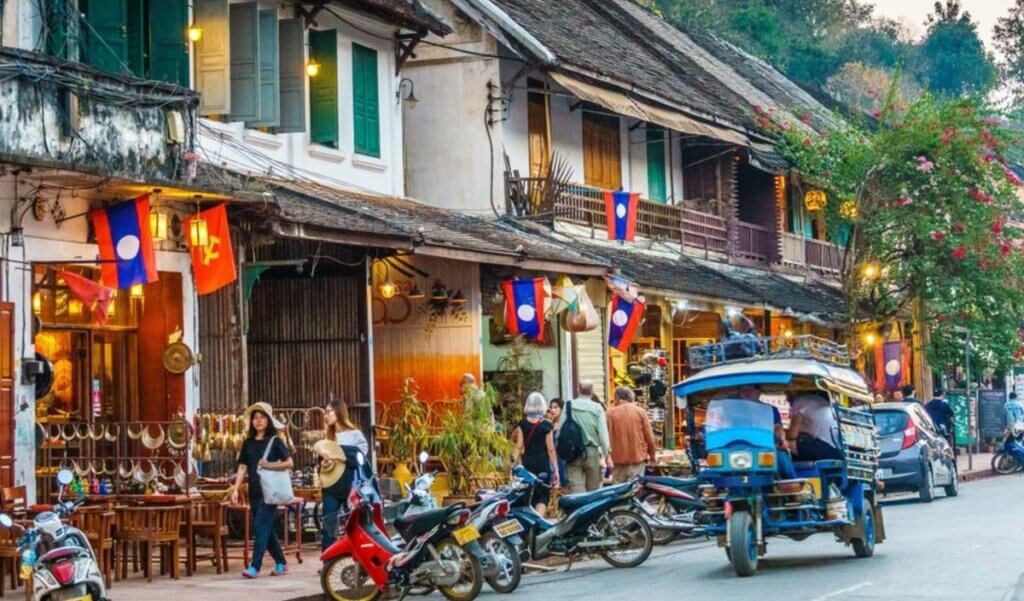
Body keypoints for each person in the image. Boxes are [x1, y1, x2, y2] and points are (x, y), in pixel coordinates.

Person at [232, 402, 293, 578]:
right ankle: (282, 562)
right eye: (255, 418)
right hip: (254, 492)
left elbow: (289, 463)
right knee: (265, 529)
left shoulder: (275, 442)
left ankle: (255, 566)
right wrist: (236, 489)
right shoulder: (248, 443)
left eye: (262, 417)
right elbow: (242, 468)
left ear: (269, 420)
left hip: (270, 493)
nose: (258, 421)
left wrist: (269, 465)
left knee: (260, 526)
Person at [319, 399, 368, 553]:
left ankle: (355, 556)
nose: (325, 415)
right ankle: (328, 558)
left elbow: (361, 458)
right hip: (331, 485)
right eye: (325, 412)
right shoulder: (328, 437)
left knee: (353, 524)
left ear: (338, 412)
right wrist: (325, 463)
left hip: (350, 484)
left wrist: (341, 456)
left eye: (328, 412)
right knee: (328, 523)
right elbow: (325, 463)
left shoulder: (355, 434)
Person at [559, 380, 612, 493]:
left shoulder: (568, 406)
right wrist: (607, 454)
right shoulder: (597, 408)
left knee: (576, 487)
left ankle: (580, 507)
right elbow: (603, 435)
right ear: (592, 391)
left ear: (578, 390)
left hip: (572, 453)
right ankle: (591, 509)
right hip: (591, 452)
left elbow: (560, 430)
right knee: (593, 490)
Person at [512, 392, 559, 515]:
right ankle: (538, 524)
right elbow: (551, 449)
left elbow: (519, 445)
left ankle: (531, 527)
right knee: (543, 495)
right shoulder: (546, 425)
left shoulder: (522, 424)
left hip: (527, 465)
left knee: (529, 495)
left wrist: (513, 462)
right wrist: (556, 468)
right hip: (543, 464)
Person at [737, 385, 796, 479]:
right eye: (742, 390)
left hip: (765, 445)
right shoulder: (736, 412)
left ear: (759, 391)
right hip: (740, 447)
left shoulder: (770, 409)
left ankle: (792, 484)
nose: (745, 393)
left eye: (748, 390)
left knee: (781, 458)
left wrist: (782, 439)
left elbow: (778, 427)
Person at [606, 387, 657, 483]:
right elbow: (650, 437)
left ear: (617, 397)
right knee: (635, 490)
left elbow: (605, 437)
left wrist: (606, 457)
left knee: (619, 492)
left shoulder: (610, 413)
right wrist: (652, 456)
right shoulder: (640, 412)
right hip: (637, 461)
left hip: (618, 462)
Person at [787, 393, 843, 461]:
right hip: (839, 451)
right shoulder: (820, 400)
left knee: (786, 444)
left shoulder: (799, 401)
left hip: (826, 448)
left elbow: (792, 435)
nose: (787, 398)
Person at [546, 398, 568, 488]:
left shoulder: (564, 424)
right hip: (551, 458)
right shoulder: (549, 424)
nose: (553, 410)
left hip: (562, 458)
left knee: (563, 483)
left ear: (561, 409)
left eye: (556, 407)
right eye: (551, 407)